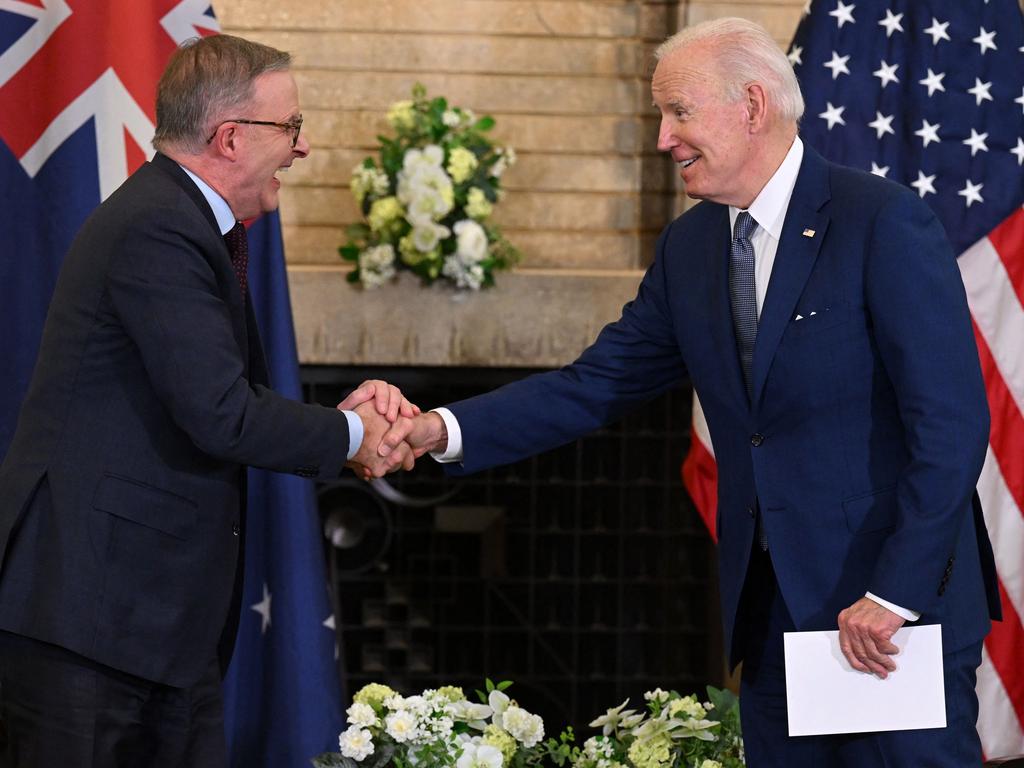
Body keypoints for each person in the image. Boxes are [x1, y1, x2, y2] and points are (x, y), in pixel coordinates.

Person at [381, 17, 1001, 767]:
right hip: (774, 615)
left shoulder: (881, 222)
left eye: (679, 112)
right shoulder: (692, 246)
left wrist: (894, 596)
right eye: (660, 116)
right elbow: (596, 383)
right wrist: (437, 429)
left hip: (891, 617)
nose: (663, 140)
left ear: (751, 104)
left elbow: (952, 425)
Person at [0, 35, 418, 768]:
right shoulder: (159, 226)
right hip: (90, 622)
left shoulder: (180, 221)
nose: (303, 147)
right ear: (231, 137)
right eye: (291, 127)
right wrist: (355, 433)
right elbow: (221, 412)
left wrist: (346, 421)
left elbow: (223, 394)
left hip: (148, 625)